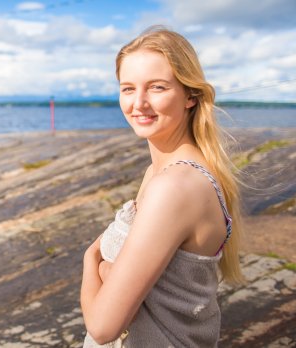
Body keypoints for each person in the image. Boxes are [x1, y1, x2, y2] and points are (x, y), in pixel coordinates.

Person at [80, 26, 244, 347]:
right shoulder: (158, 173)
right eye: (128, 89)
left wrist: (91, 260)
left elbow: (102, 326)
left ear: (190, 97)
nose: (138, 103)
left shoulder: (175, 186)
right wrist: (108, 273)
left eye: (156, 87)